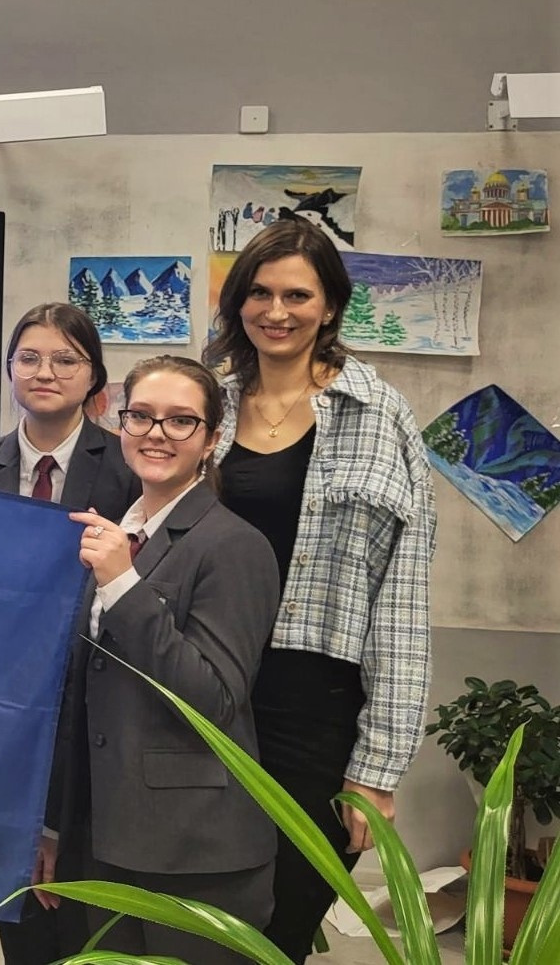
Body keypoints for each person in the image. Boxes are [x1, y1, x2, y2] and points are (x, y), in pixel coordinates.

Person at [203, 219, 435, 962]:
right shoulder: (206, 408)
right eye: (260, 293)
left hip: (315, 710)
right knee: (194, 918)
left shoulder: (380, 415)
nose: (277, 311)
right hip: (200, 692)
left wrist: (378, 769)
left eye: (297, 295)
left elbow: (403, 601)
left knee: (283, 922)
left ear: (330, 305)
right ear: (238, 303)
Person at [67, 355, 280, 964]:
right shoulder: (119, 533)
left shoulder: (234, 545)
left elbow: (214, 698)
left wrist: (123, 585)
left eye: (181, 420)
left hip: (196, 851)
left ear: (211, 439)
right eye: (141, 416)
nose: (156, 433)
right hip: (112, 834)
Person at [0, 302, 137, 965]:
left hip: (93, 724)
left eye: (66, 359)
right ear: (9, 369)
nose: (45, 372)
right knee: (23, 930)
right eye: (30, 358)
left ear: (94, 376)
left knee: (86, 933)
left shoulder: (126, 471)